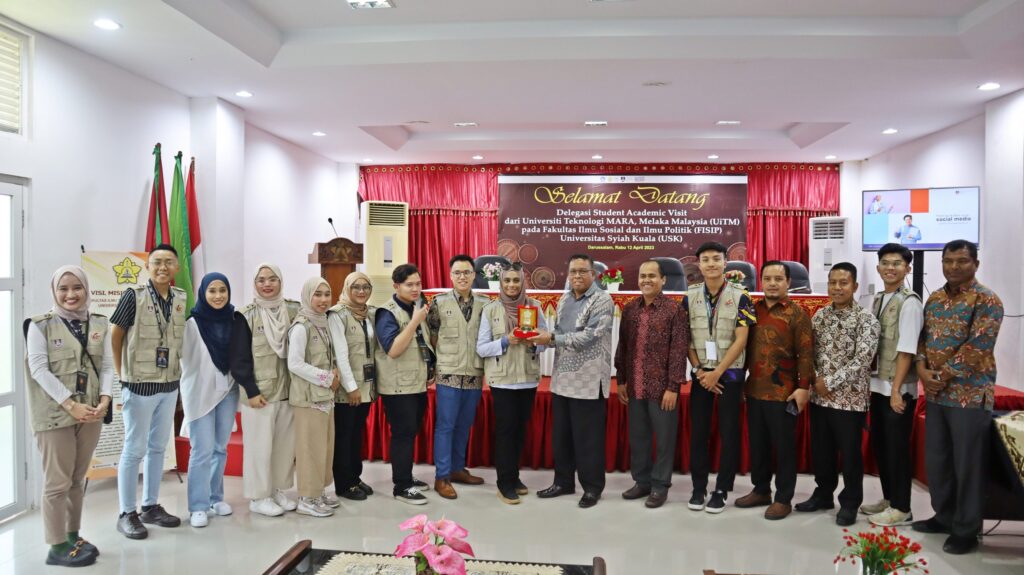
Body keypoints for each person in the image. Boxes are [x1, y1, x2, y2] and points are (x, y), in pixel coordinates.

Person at [913, 240, 1003, 555]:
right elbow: (922, 340)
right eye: (948, 260)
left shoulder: (987, 299)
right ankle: (944, 516)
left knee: (968, 465)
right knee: (938, 461)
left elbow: (979, 346)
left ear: (975, 264)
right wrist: (922, 371)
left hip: (969, 395)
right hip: (936, 395)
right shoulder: (934, 299)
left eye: (962, 261)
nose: (954, 266)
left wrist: (941, 377)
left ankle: (966, 529)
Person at [25, 266, 112, 566]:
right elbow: (39, 370)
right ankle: (56, 545)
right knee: (57, 482)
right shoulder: (40, 326)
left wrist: (105, 398)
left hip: (90, 413)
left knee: (77, 478)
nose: (71, 294)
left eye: (77, 287)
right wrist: (70, 404)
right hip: (55, 416)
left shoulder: (99, 322)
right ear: (54, 291)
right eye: (63, 288)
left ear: (87, 289)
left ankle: (72, 535)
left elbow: (107, 366)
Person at [110, 243, 186, 539]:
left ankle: (150, 506)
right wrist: (121, 374)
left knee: (158, 447)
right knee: (134, 448)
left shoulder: (180, 297)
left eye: (168, 262)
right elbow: (116, 334)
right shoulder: (134, 296)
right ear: (147, 266)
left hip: (169, 385)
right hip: (139, 385)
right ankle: (126, 513)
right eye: (157, 262)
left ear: (176, 267)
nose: (163, 267)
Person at [796, 262, 880, 526]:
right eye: (833, 282)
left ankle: (850, 503)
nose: (837, 288)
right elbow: (808, 351)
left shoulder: (866, 319)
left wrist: (829, 383)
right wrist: (815, 380)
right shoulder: (820, 316)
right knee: (822, 452)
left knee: (850, 455)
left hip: (849, 400)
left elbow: (863, 360)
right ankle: (823, 495)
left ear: (855, 286)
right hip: (820, 398)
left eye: (843, 283)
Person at [530, 254, 614, 509]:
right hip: (562, 380)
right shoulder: (564, 299)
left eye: (582, 271)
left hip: (588, 382)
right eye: (573, 271)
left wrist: (550, 339)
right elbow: (559, 333)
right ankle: (563, 482)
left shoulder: (603, 300)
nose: (577, 276)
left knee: (588, 441)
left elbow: (589, 336)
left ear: (593, 274)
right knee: (562, 438)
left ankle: (592, 488)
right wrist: (540, 338)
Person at [734, 261, 813, 520]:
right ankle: (761, 490)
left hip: (784, 393)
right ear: (761, 281)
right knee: (759, 445)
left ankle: (783, 498)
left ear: (788, 282)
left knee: (784, 448)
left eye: (778, 279)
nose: (772, 283)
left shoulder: (797, 314)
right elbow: (742, 348)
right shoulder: (752, 310)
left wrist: (803, 388)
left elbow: (806, 354)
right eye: (767, 278)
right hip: (755, 389)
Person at [683, 241, 755, 513]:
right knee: (699, 434)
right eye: (706, 259)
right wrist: (700, 371)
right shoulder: (689, 297)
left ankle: (722, 488)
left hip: (730, 374)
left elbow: (742, 339)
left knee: (728, 433)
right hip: (701, 375)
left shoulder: (741, 296)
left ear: (726, 262)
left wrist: (718, 373)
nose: (711, 264)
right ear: (699, 265)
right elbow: (686, 339)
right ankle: (698, 488)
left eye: (716, 259)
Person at [614, 259, 688, 509]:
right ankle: (642, 482)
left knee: (664, 440)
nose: (646, 280)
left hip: (662, 390)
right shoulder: (630, 309)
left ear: (663, 280)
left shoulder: (674, 310)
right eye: (643, 276)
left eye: (652, 276)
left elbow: (679, 351)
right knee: (639, 438)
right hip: (635, 386)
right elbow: (623, 346)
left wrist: (673, 387)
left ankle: (660, 485)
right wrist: (621, 380)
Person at [476, 263, 548, 505]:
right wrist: (506, 341)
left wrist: (534, 342)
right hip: (503, 381)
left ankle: (514, 477)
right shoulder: (491, 310)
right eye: (507, 280)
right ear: (501, 283)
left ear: (523, 282)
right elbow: (482, 348)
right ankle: (504, 483)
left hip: (527, 379)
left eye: (516, 280)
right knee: (506, 432)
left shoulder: (534, 306)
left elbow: (546, 342)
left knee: (519, 431)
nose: (511, 285)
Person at [231, 263, 299, 517]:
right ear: (255, 284)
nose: (267, 284)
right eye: (261, 280)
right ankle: (258, 497)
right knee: (259, 448)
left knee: (283, 448)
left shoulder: (293, 311)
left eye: (272, 279)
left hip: (289, 391)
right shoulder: (244, 316)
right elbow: (238, 358)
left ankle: (276, 490)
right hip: (259, 394)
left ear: (280, 282)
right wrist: (251, 390)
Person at [862, 244, 922, 527]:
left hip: (897, 390)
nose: (890, 268)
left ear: (907, 268)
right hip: (878, 385)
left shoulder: (910, 302)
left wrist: (896, 390)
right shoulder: (878, 298)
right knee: (882, 446)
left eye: (897, 263)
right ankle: (889, 499)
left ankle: (902, 508)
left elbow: (907, 349)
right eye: (885, 263)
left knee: (897, 450)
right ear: (878, 267)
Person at [180, 273, 243, 528]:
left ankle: (216, 498)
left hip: (228, 391)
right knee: (201, 451)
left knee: (220, 448)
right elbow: (185, 362)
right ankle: (198, 506)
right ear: (203, 293)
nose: (218, 296)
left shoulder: (234, 320)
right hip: (200, 393)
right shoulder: (192, 324)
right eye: (212, 291)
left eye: (222, 290)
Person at [426, 255, 489, 499]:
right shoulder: (439, 303)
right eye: (457, 273)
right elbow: (432, 335)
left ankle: (457, 469)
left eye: (467, 272)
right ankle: (441, 476)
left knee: (464, 424)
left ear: (474, 275)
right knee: (446, 426)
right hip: (449, 373)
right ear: (451, 276)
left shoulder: (485, 303)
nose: (462, 277)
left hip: (474, 372)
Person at [375, 263, 435, 505]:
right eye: (409, 285)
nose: (415, 289)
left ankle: (406, 476)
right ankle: (401, 486)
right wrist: (415, 321)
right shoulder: (387, 312)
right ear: (396, 286)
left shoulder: (415, 307)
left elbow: (422, 342)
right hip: (397, 386)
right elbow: (393, 349)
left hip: (416, 383)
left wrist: (430, 366)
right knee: (402, 434)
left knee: (410, 432)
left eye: (418, 284)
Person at [287, 277, 341, 518]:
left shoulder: (323, 322)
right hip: (308, 398)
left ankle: (317, 492)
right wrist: (327, 378)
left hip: (323, 397)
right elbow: (295, 363)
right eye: (317, 294)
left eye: (326, 294)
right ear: (307, 296)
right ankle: (306, 498)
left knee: (323, 448)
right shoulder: (301, 326)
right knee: (309, 449)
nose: (323, 300)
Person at [327, 272, 378, 502]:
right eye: (355, 287)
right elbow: (340, 355)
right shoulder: (337, 315)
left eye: (365, 287)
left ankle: (355, 478)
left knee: (356, 435)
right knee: (344, 437)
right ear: (347, 288)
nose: (361, 291)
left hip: (366, 386)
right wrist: (350, 387)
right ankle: (343, 484)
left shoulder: (369, 314)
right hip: (348, 390)